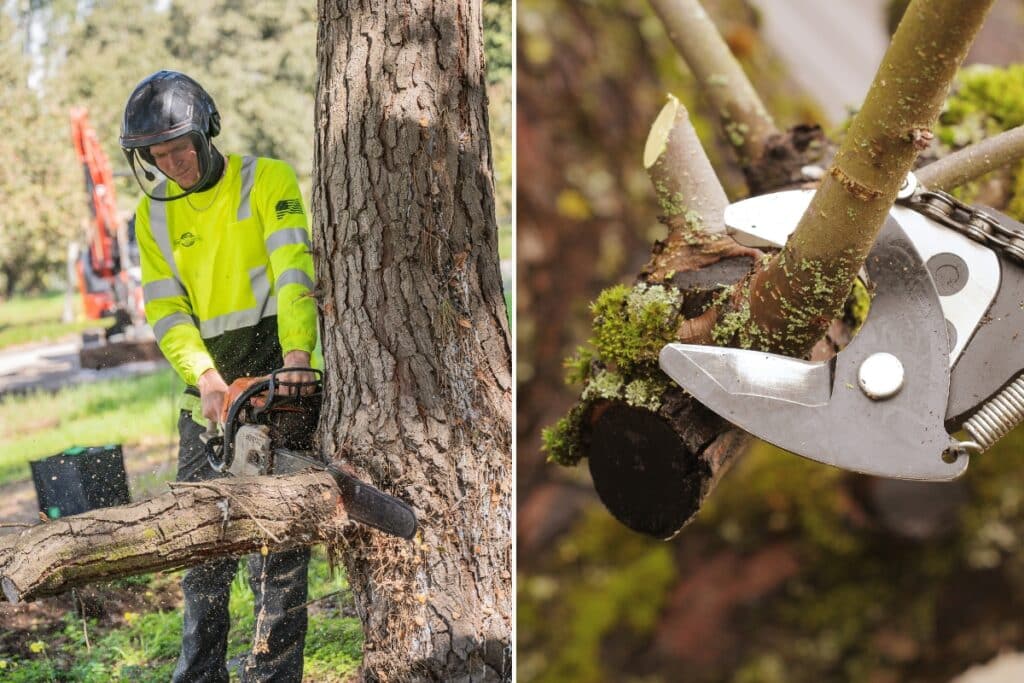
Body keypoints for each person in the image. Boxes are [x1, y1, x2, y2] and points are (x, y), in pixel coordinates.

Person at [120, 69, 318, 683]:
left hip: (277, 385)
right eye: (157, 154)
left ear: (209, 131)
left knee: (278, 552)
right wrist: (204, 377)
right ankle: (200, 673)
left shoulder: (267, 179)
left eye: (180, 147)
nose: (171, 162)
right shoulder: (150, 216)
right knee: (202, 547)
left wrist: (296, 360)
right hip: (206, 398)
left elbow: (292, 270)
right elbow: (166, 308)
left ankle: (273, 674)